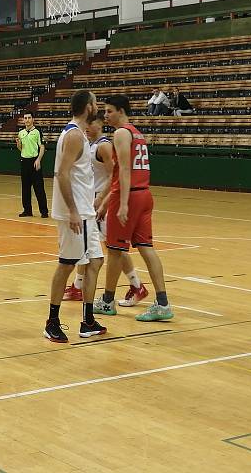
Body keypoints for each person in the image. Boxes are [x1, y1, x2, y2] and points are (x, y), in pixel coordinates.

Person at [94, 94, 174, 322]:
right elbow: (123, 172)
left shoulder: (120, 133)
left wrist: (122, 203)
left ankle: (107, 301)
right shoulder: (137, 133)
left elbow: (125, 172)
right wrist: (107, 200)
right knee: (147, 248)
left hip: (129, 196)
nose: (106, 115)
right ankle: (162, 303)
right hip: (145, 195)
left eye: (109, 111)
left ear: (120, 110)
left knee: (115, 250)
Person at [63, 112, 148, 307]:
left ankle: (136, 285)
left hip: (103, 203)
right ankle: (78, 285)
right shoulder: (90, 144)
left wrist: (102, 200)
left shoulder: (104, 146)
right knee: (92, 246)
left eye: (90, 123)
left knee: (114, 248)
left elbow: (114, 176)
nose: (86, 126)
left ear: (98, 124)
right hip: (92, 201)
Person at [44, 90, 107, 342]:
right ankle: (52, 322)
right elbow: (62, 174)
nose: (97, 105)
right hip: (75, 212)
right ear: (88, 107)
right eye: (94, 102)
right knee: (67, 263)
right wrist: (71, 210)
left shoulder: (79, 134)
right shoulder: (73, 135)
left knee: (95, 261)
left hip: (85, 211)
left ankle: (88, 320)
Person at [15, 113, 48, 218]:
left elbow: (42, 147)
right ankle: (27, 210)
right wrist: (18, 144)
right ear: (23, 120)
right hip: (24, 161)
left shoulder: (37, 132)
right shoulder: (21, 133)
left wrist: (38, 159)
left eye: (29, 118)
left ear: (33, 119)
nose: (27, 120)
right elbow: (21, 149)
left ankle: (44, 211)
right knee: (25, 188)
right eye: (25, 118)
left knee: (39, 188)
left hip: (34, 162)